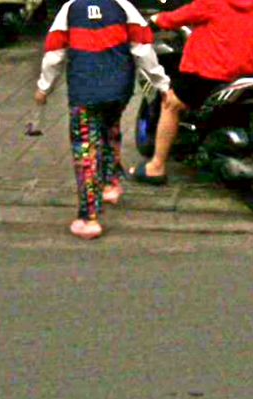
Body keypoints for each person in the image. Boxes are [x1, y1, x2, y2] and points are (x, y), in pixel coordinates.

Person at [34, 0, 171, 240]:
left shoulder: (70, 9)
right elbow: (143, 49)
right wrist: (162, 83)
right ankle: (110, 184)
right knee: (111, 129)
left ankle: (89, 218)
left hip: (85, 92)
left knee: (85, 151)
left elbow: (54, 54)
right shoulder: (123, 6)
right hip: (118, 90)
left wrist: (44, 87)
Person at [129, 0, 253, 185]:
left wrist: (155, 20)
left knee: (171, 104)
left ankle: (156, 167)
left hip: (209, 72)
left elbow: (179, 17)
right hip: (243, 73)